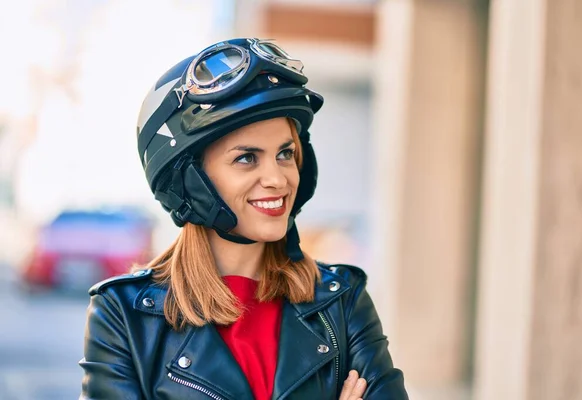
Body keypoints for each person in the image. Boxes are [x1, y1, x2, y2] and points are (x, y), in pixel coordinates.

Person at [79, 38, 409, 400]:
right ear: (190, 181)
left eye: (285, 153)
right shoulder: (124, 316)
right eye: (247, 158)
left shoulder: (342, 301)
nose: (278, 178)